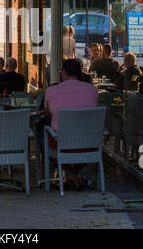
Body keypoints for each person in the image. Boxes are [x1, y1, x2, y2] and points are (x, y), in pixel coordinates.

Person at [38, 59, 98, 190]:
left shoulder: (52, 91)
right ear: (80, 73)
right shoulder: (92, 90)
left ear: (63, 73)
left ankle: (71, 175)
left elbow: (48, 113)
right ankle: (74, 176)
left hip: (63, 143)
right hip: (89, 143)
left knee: (43, 140)